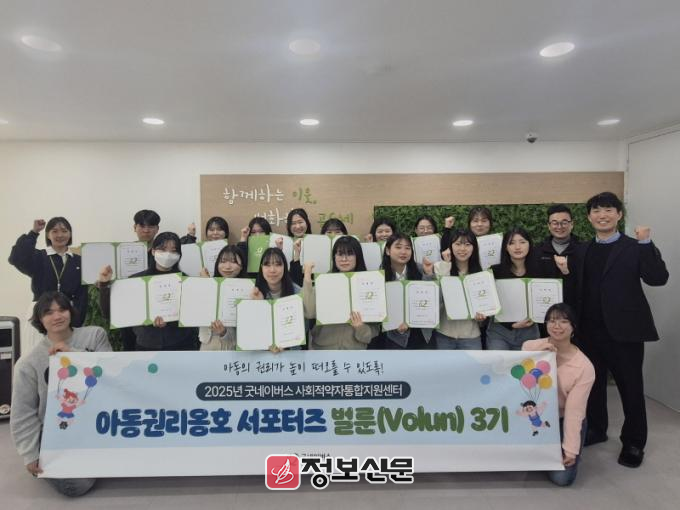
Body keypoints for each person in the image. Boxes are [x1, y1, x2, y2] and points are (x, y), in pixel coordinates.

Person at [572, 191, 668, 468]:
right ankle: (596, 429)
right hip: (588, 331)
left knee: (631, 387)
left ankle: (634, 442)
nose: (602, 215)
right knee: (593, 385)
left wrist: (646, 242)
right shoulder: (581, 250)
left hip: (625, 332)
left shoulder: (634, 246)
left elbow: (657, 278)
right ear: (589, 217)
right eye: (596, 211)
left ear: (619, 215)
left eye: (608, 210)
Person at [11, 291, 111, 497]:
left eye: (62, 310)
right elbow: (23, 412)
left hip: (97, 423)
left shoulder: (95, 335)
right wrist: (30, 454)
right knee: (76, 486)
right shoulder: (28, 363)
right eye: (48, 312)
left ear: (70, 312)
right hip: (57, 432)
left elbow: (111, 371)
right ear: (39, 319)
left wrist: (72, 354)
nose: (57, 316)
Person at [523, 303, 595, 486]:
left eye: (564, 321)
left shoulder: (584, 367)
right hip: (534, 416)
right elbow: (518, 363)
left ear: (573, 327)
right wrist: (539, 354)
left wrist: (570, 450)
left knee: (562, 478)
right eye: (552, 320)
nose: (557, 326)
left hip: (563, 418)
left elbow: (574, 412)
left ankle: (568, 447)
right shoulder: (532, 346)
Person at [98, 232, 199, 351]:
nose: (168, 255)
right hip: (146, 345)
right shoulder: (135, 281)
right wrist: (104, 285)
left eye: (173, 251)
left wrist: (171, 321)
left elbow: (193, 314)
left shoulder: (186, 281)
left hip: (181, 344)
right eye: (163, 249)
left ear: (179, 255)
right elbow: (110, 313)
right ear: (153, 251)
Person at [9, 217, 88, 354]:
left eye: (64, 231)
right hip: (41, 313)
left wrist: (76, 322)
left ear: (70, 234)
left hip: (67, 314)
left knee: (65, 359)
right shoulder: (38, 257)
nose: (60, 235)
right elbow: (16, 258)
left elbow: (82, 295)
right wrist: (34, 232)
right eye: (55, 231)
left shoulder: (79, 261)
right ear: (48, 235)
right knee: (38, 355)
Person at [303, 236, 379, 349]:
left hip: (354, 350)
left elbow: (375, 329)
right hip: (323, 349)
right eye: (340, 254)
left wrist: (360, 328)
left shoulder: (370, 283)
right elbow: (309, 312)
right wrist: (307, 276)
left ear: (358, 256)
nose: (344, 259)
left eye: (350, 254)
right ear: (334, 257)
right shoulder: (324, 281)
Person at [487, 227, 545, 350]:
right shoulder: (495, 271)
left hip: (529, 331)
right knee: (499, 362)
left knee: (527, 363)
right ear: (505, 247)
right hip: (500, 331)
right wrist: (512, 324)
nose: (517, 247)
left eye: (522, 242)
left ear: (529, 245)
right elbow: (489, 303)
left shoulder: (539, 271)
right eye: (512, 243)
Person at [379, 234, 435, 349]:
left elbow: (434, 300)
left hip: (422, 332)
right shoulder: (380, 275)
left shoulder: (421, 269)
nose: (403, 252)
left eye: (407, 248)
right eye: (398, 247)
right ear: (388, 251)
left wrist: (428, 274)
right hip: (394, 335)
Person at [433, 229, 485, 349]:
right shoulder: (439, 267)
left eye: (467, 244)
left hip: (471, 335)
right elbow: (438, 297)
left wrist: (482, 317)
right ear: (450, 246)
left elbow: (484, 306)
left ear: (474, 248)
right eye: (457, 244)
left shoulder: (481, 274)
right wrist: (446, 265)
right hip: (444, 334)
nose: (462, 249)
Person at [199, 245, 247, 351]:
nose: (227, 266)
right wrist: (206, 284)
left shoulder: (248, 290)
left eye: (233, 262)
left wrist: (224, 333)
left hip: (234, 349)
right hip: (208, 346)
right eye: (223, 261)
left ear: (242, 266)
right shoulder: (205, 284)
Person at [535, 204, 579, 308]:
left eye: (564, 222)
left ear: (571, 224)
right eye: (555, 223)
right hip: (545, 307)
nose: (559, 226)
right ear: (549, 225)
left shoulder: (582, 250)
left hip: (574, 307)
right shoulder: (537, 251)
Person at [288, 208, 313, 287]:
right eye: (293, 223)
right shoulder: (284, 244)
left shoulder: (316, 242)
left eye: (300, 222)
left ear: (307, 223)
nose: (298, 226)